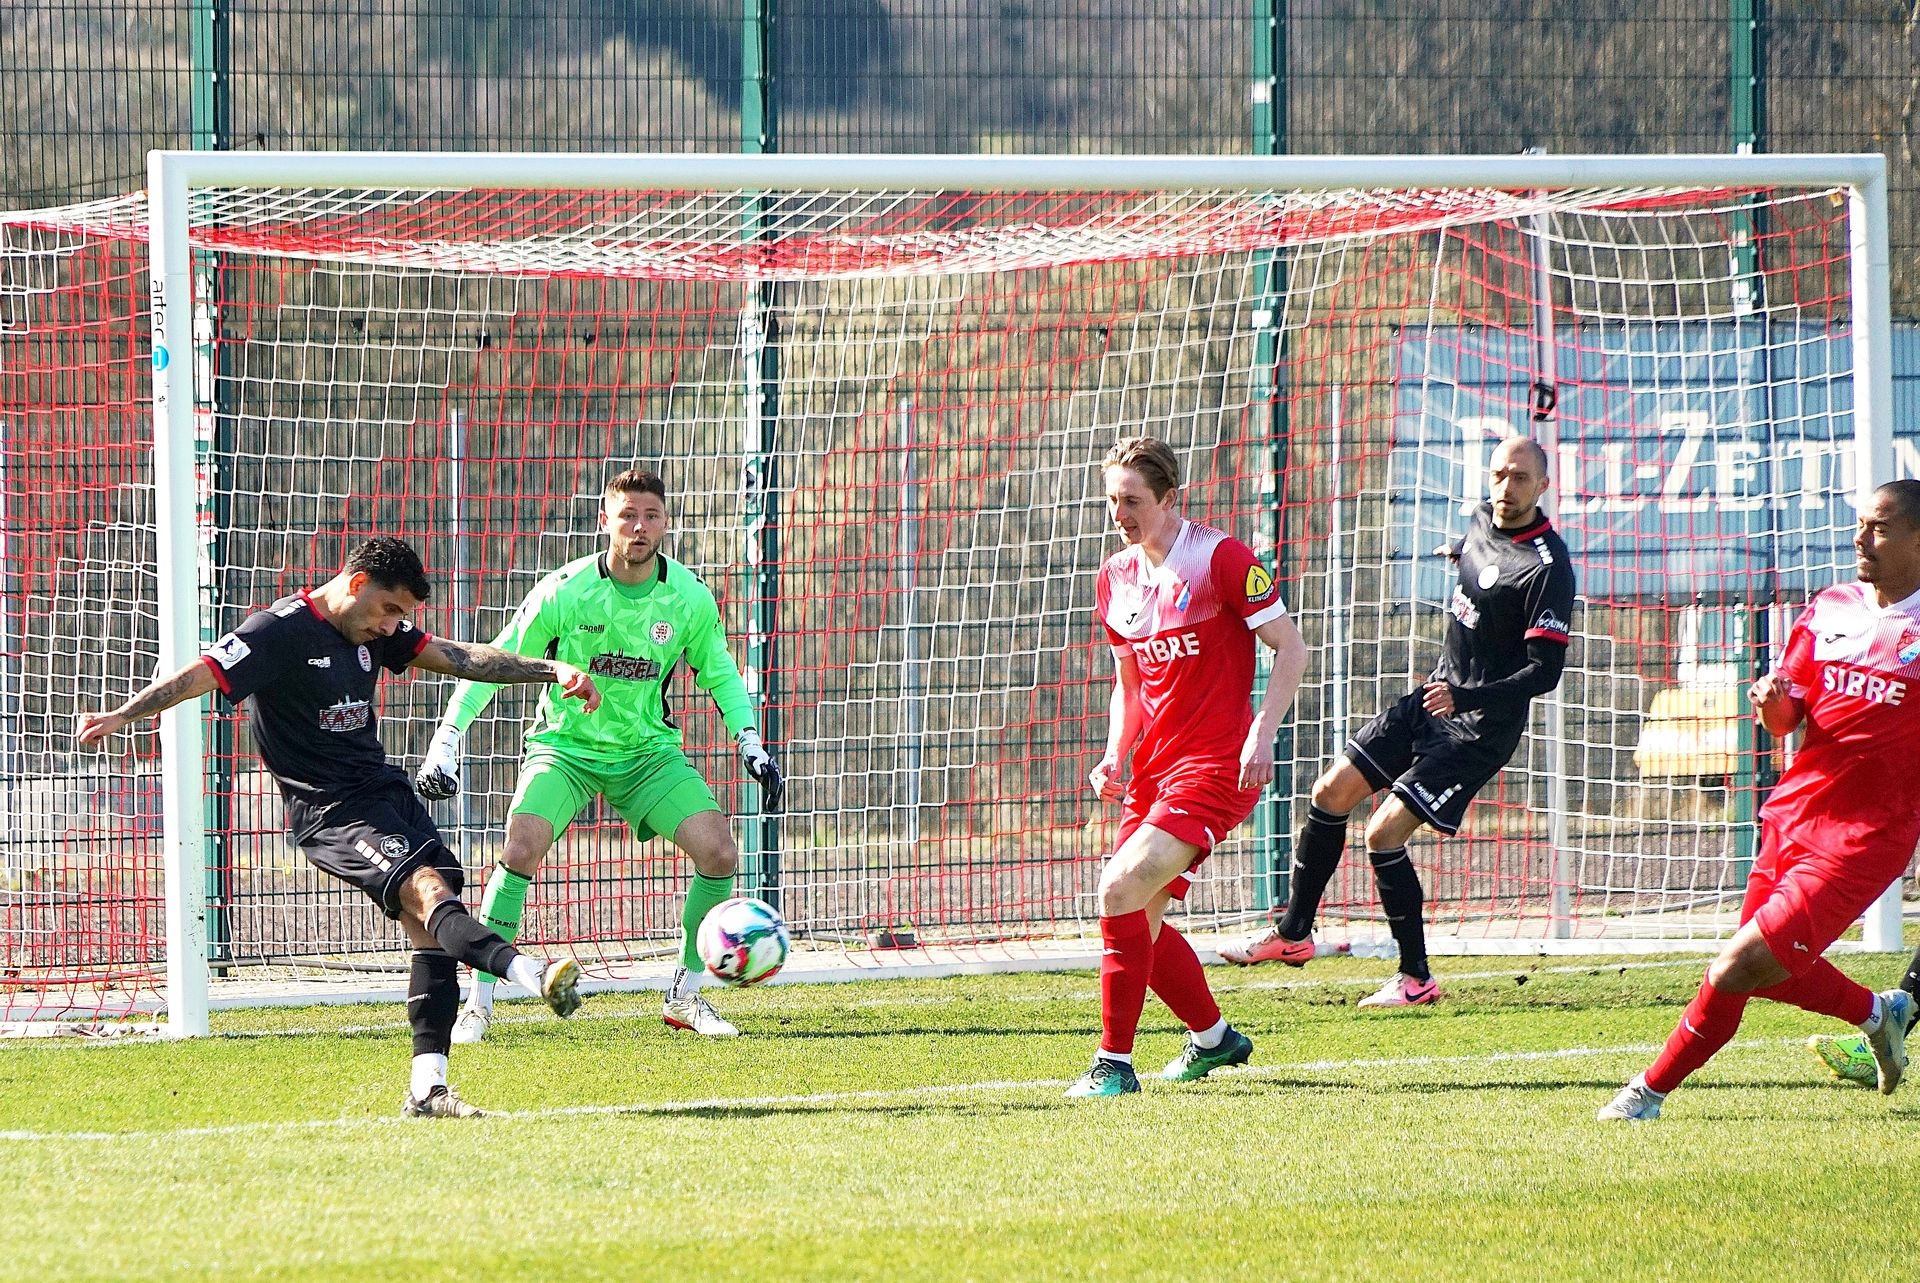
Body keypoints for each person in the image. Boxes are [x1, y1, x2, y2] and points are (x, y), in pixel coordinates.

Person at [76, 537, 599, 1118]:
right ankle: (530, 973)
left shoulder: (375, 630)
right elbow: (202, 673)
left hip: (383, 792)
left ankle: (427, 1089)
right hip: (331, 813)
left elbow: (462, 658)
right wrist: (124, 714)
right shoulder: (277, 632)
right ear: (355, 584)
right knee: (427, 891)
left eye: (401, 615)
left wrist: (551, 668)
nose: (392, 625)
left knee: (432, 920)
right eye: (388, 609)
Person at [414, 468, 783, 1044]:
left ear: (666, 523)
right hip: (565, 749)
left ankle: (685, 997)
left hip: (647, 754)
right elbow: (493, 662)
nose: (639, 527)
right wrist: (446, 742)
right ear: (605, 520)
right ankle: (478, 1005)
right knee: (520, 848)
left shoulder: (688, 597)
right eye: (628, 515)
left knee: (719, 853)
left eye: (651, 516)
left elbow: (721, 674)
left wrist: (750, 741)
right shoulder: (564, 591)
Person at [1599, 479, 1920, 1121]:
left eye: (1879, 528)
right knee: (1765, 973)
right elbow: (1785, 719)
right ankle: (1877, 1014)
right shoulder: (1830, 608)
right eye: (1860, 524)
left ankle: (1647, 1094)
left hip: (1865, 836)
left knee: (1736, 966)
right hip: (1793, 815)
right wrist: (1772, 702)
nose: (1860, 538)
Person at [1219, 435, 1575, 1009]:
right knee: (1330, 792)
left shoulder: (1548, 569)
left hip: (1478, 731)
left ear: (1543, 486)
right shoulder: (1481, 521)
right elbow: (1484, 561)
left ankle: (1415, 979)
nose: (1506, 488)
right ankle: (1293, 934)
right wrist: (1460, 553)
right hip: (1433, 699)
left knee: (1382, 834)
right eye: (1499, 475)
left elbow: (1544, 672)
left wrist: (1466, 696)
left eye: (1520, 478)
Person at [1067, 436, 1308, 1098]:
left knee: (1119, 888)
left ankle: (1113, 1065)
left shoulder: (1219, 558)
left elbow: (1291, 648)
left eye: (1132, 500)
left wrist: (1262, 733)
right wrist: (1114, 753)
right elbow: (1130, 686)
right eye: (1112, 500)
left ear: (1170, 497)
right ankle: (1213, 1037)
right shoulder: (1115, 577)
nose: (1119, 513)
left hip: (1216, 767)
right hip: (1154, 771)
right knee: (1136, 923)